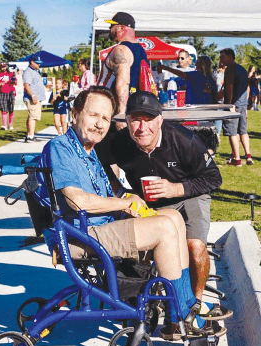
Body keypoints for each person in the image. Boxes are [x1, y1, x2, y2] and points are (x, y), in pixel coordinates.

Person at [35, 86, 228, 341]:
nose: (99, 124)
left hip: (95, 229)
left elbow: (108, 194)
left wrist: (129, 199)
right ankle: (180, 315)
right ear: (75, 114)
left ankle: (186, 305)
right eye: (94, 115)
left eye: (105, 118)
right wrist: (124, 205)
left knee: (172, 218)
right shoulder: (61, 147)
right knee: (164, 229)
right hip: (77, 235)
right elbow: (77, 200)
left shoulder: (90, 152)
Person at [97, 91, 232, 324]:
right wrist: (120, 191)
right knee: (146, 248)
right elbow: (99, 161)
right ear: (126, 121)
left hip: (189, 193)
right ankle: (157, 298)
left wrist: (176, 189)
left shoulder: (183, 139)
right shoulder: (119, 143)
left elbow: (213, 178)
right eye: (135, 120)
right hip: (148, 201)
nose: (142, 127)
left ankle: (195, 304)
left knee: (194, 246)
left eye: (148, 120)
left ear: (160, 120)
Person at [97, 12, 150, 130]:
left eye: (112, 26)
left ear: (121, 28)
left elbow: (123, 82)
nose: (109, 29)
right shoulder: (140, 50)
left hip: (111, 113)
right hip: (135, 109)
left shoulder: (120, 50)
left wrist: (121, 116)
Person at [219, 48, 254, 166]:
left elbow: (229, 88)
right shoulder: (242, 69)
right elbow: (246, 87)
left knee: (232, 132)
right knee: (243, 130)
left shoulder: (230, 69)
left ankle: (237, 159)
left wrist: (229, 105)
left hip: (233, 105)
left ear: (230, 56)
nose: (221, 59)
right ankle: (248, 155)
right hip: (242, 104)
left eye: (223, 56)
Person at [23, 55, 46, 142]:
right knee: (33, 116)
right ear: (32, 62)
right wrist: (32, 95)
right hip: (32, 98)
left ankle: (29, 134)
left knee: (31, 116)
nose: (39, 65)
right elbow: (26, 85)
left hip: (36, 97)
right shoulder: (28, 72)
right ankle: (31, 136)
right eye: (37, 63)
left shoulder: (35, 71)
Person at [0, 61, 17, 131]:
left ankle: (11, 125)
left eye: (4, 67)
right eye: (2, 67)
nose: (3, 68)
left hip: (10, 92)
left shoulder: (10, 74)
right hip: (2, 93)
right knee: (4, 109)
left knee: (11, 109)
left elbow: (15, 82)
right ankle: (4, 125)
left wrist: (13, 80)